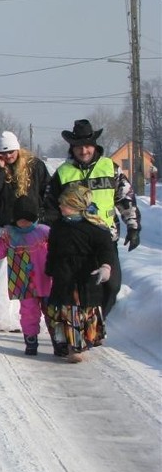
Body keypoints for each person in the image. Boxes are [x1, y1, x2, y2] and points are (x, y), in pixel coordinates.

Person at [43, 119, 141, 326]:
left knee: (112, 286)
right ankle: (76, 330)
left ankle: (96, 322)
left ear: (95, 146)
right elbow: (50, 206)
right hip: (75, 243)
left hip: (105, 237)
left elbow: (125, 198)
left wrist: (133, 226)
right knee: (79, 289)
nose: (84, 150)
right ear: (73, 148)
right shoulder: (63, 172)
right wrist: (54, 233)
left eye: (87, 146)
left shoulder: (110, 168)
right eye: (79, 147)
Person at [45, 184, 117, 363]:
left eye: (65, 204)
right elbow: (52, 249)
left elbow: (106, 250)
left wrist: (106, 267)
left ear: (77, 205)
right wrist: (49, 269)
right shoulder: (58, 226)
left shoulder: (95, 227)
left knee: (84, 311)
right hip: (64, 274)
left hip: (86, 276)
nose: (61, 207)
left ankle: (82, 343)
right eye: (61, 204)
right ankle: (72, 347)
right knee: (68, 311)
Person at [0, 195, 53, 355]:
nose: (24, 223)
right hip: (23, 280)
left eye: (28, 220)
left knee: (52, 311)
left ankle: (59, 339)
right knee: (28, 311)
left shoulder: (44, 232)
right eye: (21, 220)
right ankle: (31, 339)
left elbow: (58, 249)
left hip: (45, 280)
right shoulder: (10, 235)